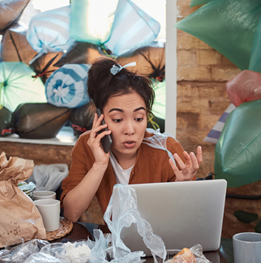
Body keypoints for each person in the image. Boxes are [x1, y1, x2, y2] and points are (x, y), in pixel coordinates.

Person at [61, 58, 202, 223]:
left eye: (138, 118)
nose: (130, 130)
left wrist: (182, 189)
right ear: (101, 117)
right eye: (118, 119)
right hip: (112, 244)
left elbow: (187, 222)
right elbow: (71, 213)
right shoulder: (88, 146)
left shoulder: (167, 149)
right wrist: (99, 165)